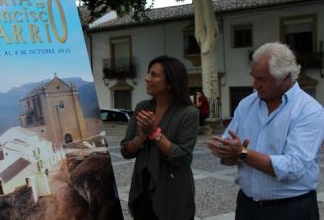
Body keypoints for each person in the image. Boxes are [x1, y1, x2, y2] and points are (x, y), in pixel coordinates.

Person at [206, 42, 324, 220]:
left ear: (285, 78)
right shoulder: (247, 105)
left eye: (261, 79)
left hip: (291, 210)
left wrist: (242, 152)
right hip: (248, 207)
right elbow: (230, 154)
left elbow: (293, 167)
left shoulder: (309, 110)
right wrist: (226, 152)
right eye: (253, 77)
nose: (254, 85)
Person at [120, 56, 199, 219]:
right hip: (142, 192)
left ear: (170, 82)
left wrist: (155, 133)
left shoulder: (188, 113)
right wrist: (141, 138)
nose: (147, 78)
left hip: (172, 195)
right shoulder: (142, 107)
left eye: (154, 75)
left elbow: (183, 157)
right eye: (149, 73)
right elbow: (125, 150)